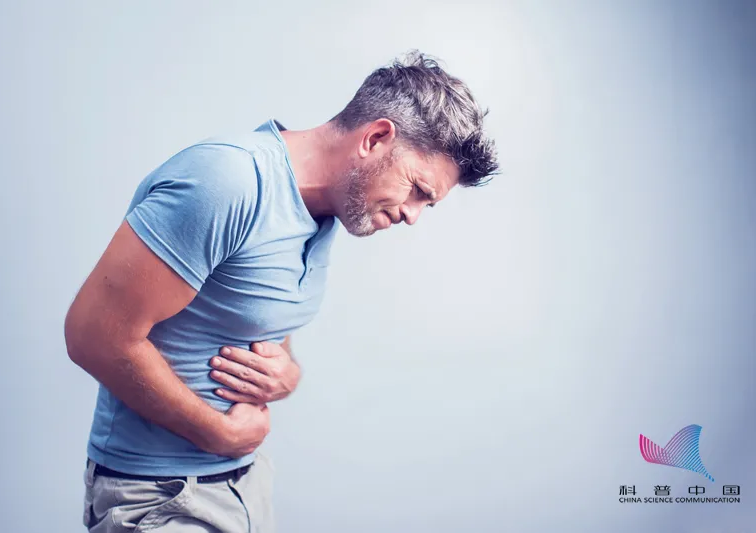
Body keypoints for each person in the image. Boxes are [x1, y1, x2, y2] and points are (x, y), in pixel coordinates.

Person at [64, 50, 499, 533]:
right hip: (158, 494)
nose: (413, 215)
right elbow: (93, 335)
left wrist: (286, 375)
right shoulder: (228, 182)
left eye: (427, 205)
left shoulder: (329, 209)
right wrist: (220, 434)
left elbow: (252, 319)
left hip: (245, 486)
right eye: (418, 189)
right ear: (375, 138)